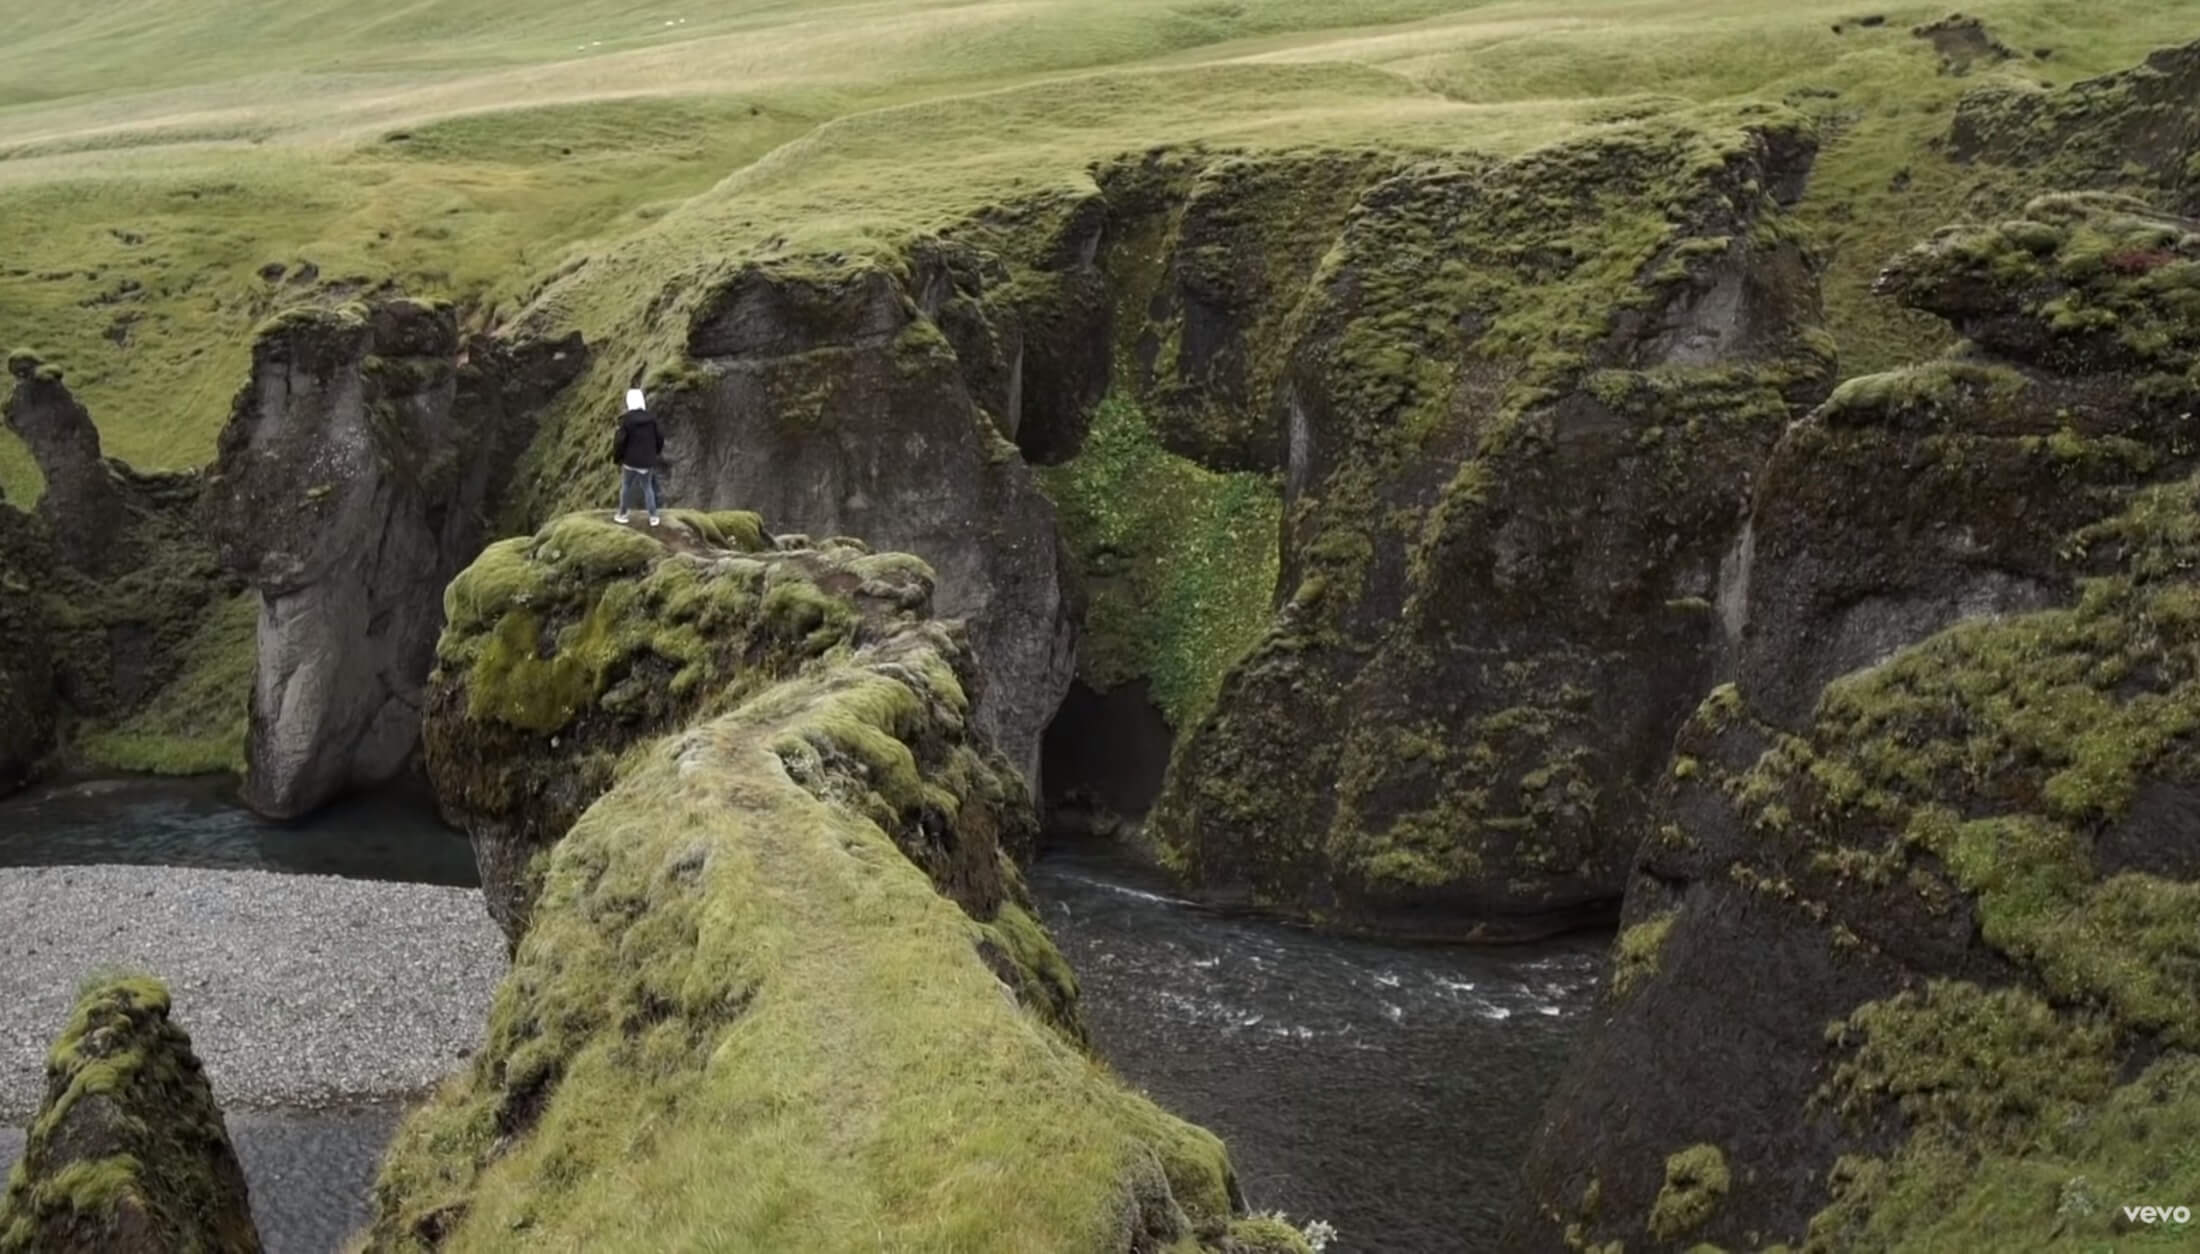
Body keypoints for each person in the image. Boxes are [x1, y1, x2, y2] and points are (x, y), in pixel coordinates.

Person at [611, 387, 665, 526]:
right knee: (648, 488)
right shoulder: (652, 419)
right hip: (647, 461)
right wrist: (655, 453)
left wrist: (617, 457)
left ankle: (622, 514)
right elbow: (660, 437)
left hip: (630, 460)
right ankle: (653, 517)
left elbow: (620, 441)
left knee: (626, 487)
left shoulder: (626, 420)